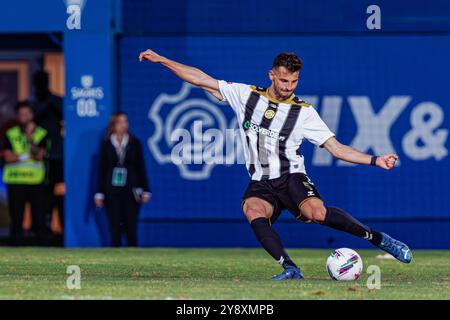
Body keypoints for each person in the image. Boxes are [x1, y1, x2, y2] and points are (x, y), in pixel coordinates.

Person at [138, 49, 413, 280]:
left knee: (317, 213)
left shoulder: (304, 113)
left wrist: (375, 160)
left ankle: (379, 239)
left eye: (293, 82)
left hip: (291, 176)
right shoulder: (246, 96)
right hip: (261, 181)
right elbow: (200, 79)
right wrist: (163, 60)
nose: (287, 87)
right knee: (252, 210)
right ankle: (290, 268)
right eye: (283, 80)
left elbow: (336, 148)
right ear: (271, 75)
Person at [94, 112, 151, 247]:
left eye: (125, 121)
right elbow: (102, 169)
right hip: (111, 190)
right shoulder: (106, 144)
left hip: (131, 189)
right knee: (114, 224)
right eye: (120, 122)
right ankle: (116, 257)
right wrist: (99, 192)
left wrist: (146, 190)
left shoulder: (135, 143)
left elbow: (140, 167)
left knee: (130, 224)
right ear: (113, 125)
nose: (123, 125)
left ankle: (133, 258)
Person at [1, 101, 49, 245]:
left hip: (36, 181)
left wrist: (29, 139)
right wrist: (26, 155)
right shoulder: (10, 133)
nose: (25, 117)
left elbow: (39, 155)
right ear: (17, 116)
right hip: (15, 181)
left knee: (39, 218)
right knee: (16, 219)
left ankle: (42, 251)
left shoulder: (42, 133)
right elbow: (8, 157)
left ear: (32, 115)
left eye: (27, 114)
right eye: (22, 114)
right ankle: (16, 249)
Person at [30, 70, 64, 234]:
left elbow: (66, 117)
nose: (40, 85)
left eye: (43, 81)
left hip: (57, 155)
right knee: (42, 196)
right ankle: (42, 227)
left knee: (59, 193)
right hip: (38, 159)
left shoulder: (56, 101)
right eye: (38, 82)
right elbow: (32, 120)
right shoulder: (33, 105)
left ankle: (61, 227)